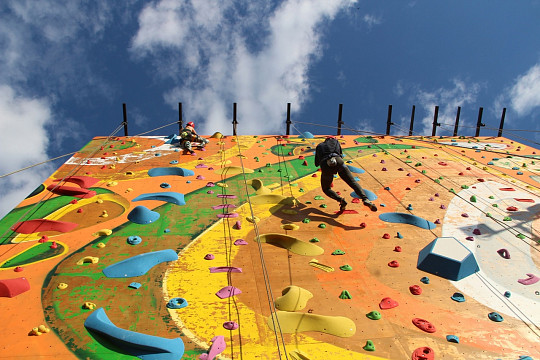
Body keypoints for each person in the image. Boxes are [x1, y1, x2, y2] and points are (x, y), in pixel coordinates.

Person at [314, 136, 377, 212]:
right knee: (352, 182)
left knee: (326, 189)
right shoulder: (336, 142)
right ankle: (365, 199)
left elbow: (316, 163)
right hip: (338, 160)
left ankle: (340, 199)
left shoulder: (320, 146)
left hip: (326, 165)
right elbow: (340, 153)